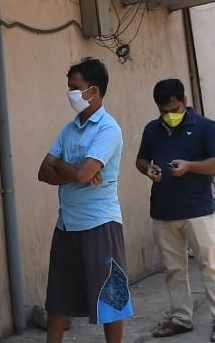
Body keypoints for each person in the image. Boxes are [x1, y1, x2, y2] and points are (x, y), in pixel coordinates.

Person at [37, 57, 130, 343]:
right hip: (67, 224)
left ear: (94, 91)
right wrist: (75, 171)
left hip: (99, 223)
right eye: (69, 88)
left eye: (75, 88)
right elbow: (43, 171)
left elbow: (80, 172)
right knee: (59, 297)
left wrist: (67, 168)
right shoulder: (69, 129)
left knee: (109, 296)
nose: (71, 94)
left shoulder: (108, 130)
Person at [137, 79, 215, 341]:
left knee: (209, 266)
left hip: (197, 210)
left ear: (184, 101)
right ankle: (181, 318)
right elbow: (141, 159)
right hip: (163, 211)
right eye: (164, 111)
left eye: (174, 109)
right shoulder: (152, 129)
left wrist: (190, 166)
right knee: (174, 269)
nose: (170, 116)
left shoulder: (205, 127)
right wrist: (148, 169)